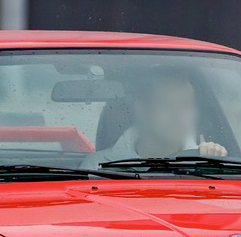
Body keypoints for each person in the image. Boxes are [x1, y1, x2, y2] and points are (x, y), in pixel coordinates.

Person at [84, 67, 227, 168]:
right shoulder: (96, 167)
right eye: (166, 105)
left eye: (186, 106)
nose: (178, 116)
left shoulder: (207, 163)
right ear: (141, 109)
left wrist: (215, 161)